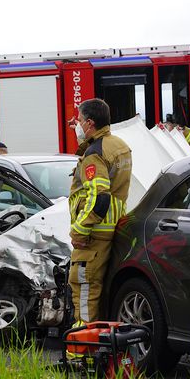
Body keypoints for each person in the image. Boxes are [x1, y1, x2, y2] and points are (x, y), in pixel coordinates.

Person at [67, 98, 132, 324]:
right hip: (111, 229)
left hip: (93, 235)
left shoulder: (95, 154)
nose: (78, 124)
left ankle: (81, 353)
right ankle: (98, 348)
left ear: (90, 123)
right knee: (100, 293)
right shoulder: (118, 145)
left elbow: (99, 198)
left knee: (84, 290)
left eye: (81, 120)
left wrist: (80, 230)